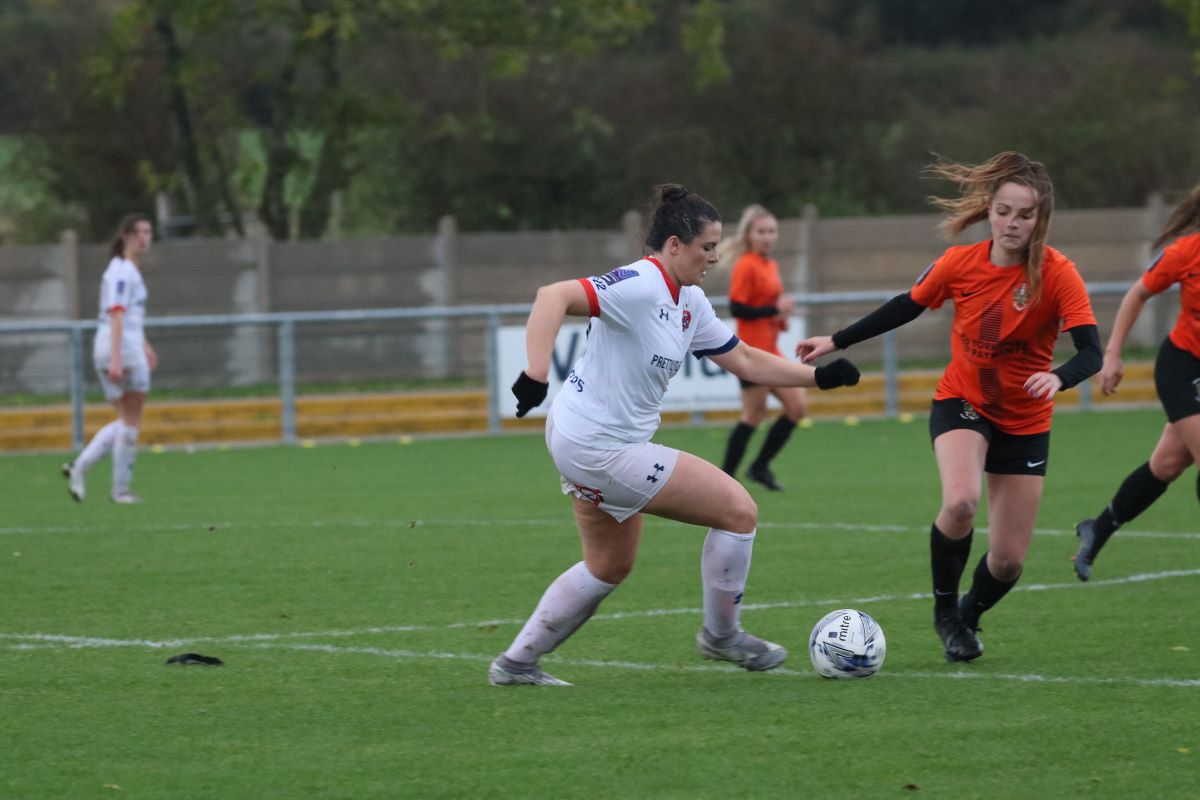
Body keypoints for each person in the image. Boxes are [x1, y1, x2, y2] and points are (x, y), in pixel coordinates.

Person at [490, 184, 861, 686]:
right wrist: (536, 372)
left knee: (607, 566)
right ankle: (721, 636)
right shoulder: (640, 284)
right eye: (707, 247)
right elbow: (551, 296)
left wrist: (818, 377)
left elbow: (746, 359)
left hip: (587, 440)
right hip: (602, 445)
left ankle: (515, 664)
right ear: (672, 245)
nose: (714, 256)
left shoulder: (689, 301)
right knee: (739, 511)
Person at [795, 152, 1101, 663]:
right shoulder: (959, 263)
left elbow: (1090, 350)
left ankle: (968, 615)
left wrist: (1058, 376)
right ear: (989, 210)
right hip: (963, 402)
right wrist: (837, 339)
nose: (1012, 223)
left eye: (1024, 215)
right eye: (1003, 211)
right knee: (960, 503)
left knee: (1007, 562)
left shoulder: (1058, 274)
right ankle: (944, 613)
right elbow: (905, 305)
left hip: (1025, 422)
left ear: (1040, 220)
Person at [1073, 181, 1200, 580]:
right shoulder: (1185, 254)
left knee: (1166, 464)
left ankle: (1099, 529)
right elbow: (1137, 295)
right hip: (1181, 367)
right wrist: (1112, 354)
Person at [63, 214, 156, 504]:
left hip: (118, 345)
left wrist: (144, 343)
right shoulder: (123, 271)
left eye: (148, 232)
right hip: (120, 348)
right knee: (131, 422)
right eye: (139, 232)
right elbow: (116, 313)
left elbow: (126, 317)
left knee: (124, 419)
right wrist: (118, 357)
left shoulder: (122, 269)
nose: (144, 238)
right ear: (125, 236)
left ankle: (79, 469)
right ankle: (120, 490)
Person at [718, 204, 808, 491]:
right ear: (749, 235)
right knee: (754, 415)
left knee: (797, 408)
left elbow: (764, 308)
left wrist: (779, 317)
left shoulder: (770, 265)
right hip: (750, 353)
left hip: (771, 349)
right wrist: (773, 309)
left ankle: (759, 466)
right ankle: (725, 479)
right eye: (761, 231)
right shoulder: (746, 265)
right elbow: (737, 307)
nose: (768, 236)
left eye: (771, 231)